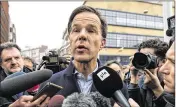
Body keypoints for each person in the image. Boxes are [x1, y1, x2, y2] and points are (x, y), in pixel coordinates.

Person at [39, 5, 128, 106]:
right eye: (76, 30)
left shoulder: (117, 88)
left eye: (91, 31)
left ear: (102, 43)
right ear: (70, 39)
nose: (82, 35)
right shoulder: (50, 84)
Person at [0, 42, 49, 107]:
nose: (14, 62)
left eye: (17, 58)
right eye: (8, 59)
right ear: (1, 64)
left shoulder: (36, 78)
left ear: (22, 59)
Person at [128, 39, 169, 107]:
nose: (144, 63)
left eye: (147, 57)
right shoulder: (142, 81)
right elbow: (134, 103)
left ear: (163, 62)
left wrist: (157, 89)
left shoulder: (171, 84)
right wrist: (134, 77)